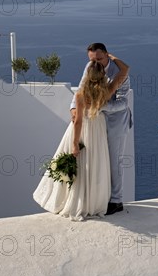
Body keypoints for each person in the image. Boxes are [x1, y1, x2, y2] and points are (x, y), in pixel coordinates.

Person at [33, 60, 127, 220]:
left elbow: (78, 121)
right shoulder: (106, 92)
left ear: (88, 76)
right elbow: (124, 71)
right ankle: (94, 203)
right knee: (95, 165)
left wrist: (75, 144)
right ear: (103, 75)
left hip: (84, 131)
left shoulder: (81, 95)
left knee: (81, 166)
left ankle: (79, 202)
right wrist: (112, 57)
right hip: (98, 132)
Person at [70, 43, 132, 215]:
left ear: (107, 55)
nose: (94, 63)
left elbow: (124, 103)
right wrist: (73, 108)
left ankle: (116, 200)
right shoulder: (91, 67)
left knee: (114, 160)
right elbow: (81, 87)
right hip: (98, 121)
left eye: (99, 59)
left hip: (116, 121)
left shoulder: (120, 75)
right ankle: (99, 197)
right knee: (98, 159)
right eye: (91, 60)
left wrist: (100, 107)